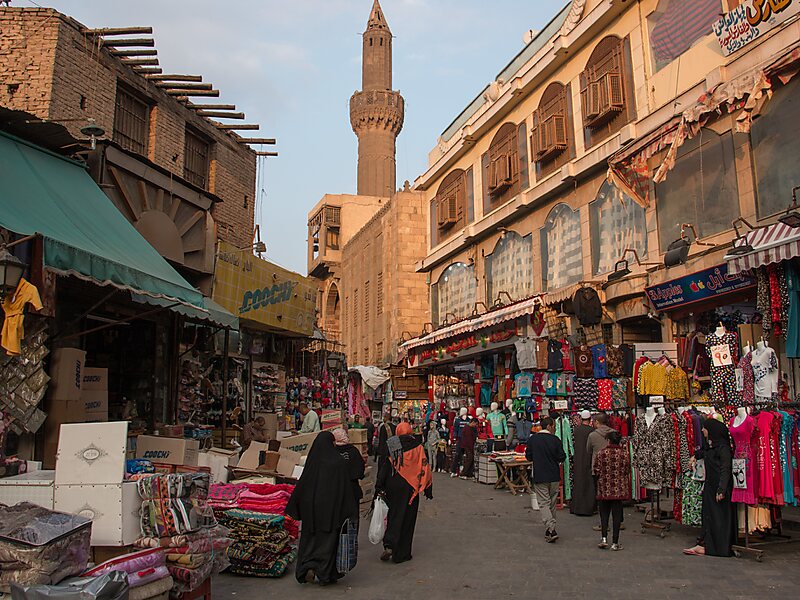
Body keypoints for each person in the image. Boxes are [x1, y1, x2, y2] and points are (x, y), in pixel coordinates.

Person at [286, 431, 358, 585]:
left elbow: (302, 486)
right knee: (328, 543)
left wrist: (295, 507)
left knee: (309, 540)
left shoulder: (312, 461)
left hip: (311, 512)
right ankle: (324, 573)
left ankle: (308, 567)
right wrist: (349, 511)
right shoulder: (338, 462)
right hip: (331, 512)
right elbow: (344, 489)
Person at [376, 422, 433, 564]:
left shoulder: (393, 443)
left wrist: (379, 485)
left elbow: (384, 465)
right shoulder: (417, 445)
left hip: (393, 484)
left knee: (394, 514)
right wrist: (427, 488)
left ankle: (389, 543)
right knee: (408, 518)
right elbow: (424, 466)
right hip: (411, 487)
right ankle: (401, 553)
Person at [683, 418, 736, 557]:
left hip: (719, 487)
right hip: (710, 485)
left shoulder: (723, 448)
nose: (702, 430)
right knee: (708, 516)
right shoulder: (711, 446)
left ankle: (718, 548)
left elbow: (726, 469)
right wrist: (694, 457)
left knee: (719, 518)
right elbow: (703, 452)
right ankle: (705, 544)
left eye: (704, 428)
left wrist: (721, 489)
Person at [526, 416, 566, 542]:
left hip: (540, 475)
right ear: (549, 426)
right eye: (553, 426)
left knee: (544, 503)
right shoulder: (555, 440)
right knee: (552, 503)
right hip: (553, 475)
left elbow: (528, 456)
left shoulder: (533, 439)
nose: (554, 428)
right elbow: (561, 456)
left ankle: (551, 528)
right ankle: (550, 529)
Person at [593, 430, 631, 550]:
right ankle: (615, 542)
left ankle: (604, 538)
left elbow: (596, 469)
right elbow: (627, 470)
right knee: (616, 516)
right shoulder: (624, 454)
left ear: (608, 440)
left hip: (604, 488)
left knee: (604, 515)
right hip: (618, 489)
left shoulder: (601, 453)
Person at [333, 428, 366, 508]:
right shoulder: (353, 451)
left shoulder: (331, 451)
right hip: (352, 489)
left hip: (336, 490)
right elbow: (360, 469)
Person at [571, 410, 596, 516]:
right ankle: (588, 507)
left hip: (578, 459)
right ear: (590, 419)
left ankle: (577, 507)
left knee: (578, 482)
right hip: (589, 459)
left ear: (581, 419)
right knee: (589, 483)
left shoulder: (576, 430)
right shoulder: (593, 431)